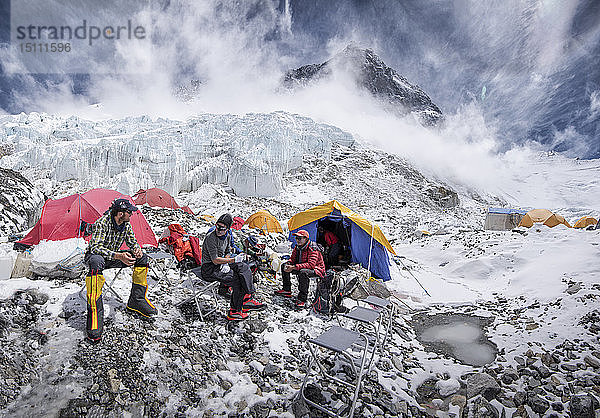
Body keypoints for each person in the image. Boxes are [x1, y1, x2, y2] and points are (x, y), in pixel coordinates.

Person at [85, 198, 157, 344]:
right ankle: (95, 315)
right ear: (120, 213)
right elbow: (96, 248)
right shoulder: (102, 223)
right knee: (96, 261)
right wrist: (119, 256)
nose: (131, 214)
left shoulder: (126, 224)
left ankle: (136, 300)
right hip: (97, 256)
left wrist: (137, 249)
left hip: (114, 255)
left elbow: (132, 241)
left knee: (142, 259)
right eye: (128, 212)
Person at [201, 213, 265, 320]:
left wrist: (227, 261)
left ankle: (248, 297)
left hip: (221, 264)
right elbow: (215, 259)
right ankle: (234, 311)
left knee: (243, 267)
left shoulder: (227, 236)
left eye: (222, 228)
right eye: (217, 226)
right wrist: (232, 260)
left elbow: (227, 251)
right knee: (237, 280)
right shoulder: (210, 238)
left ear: (228, 228)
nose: (218, 230)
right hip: (209, 268)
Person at [274, 229, 326, 308]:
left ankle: (302, 298)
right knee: (284, 265)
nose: (297, 240)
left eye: (299, 238)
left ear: (305, 239)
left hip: (317, 269)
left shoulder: (313, 248)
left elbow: (311, 265)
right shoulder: (297, 247)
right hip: (301, 266)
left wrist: (294, 267)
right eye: (296, 238)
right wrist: (289, 264)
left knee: (303, 273)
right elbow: (293, 259)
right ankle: (286, 289)